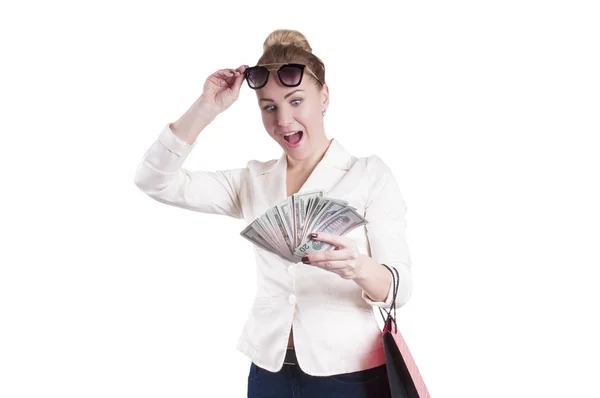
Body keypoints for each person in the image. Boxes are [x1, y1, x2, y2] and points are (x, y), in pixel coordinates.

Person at [134, 29, 412, 398]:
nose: (283, 120)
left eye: (296, 101)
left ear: (324, 96)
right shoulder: (254, 180)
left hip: (350, 372)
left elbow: (400, 288)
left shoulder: (369, 175)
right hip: (270, 371)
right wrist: (206, 108)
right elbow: (154, 180)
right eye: (269, 107)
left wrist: (357, 267)